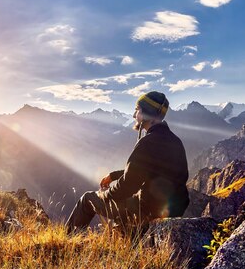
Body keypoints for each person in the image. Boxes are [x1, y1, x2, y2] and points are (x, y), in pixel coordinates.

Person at [66, 91, 189, 237]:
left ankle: (68, 240)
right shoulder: (174, 141)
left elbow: (127, 187)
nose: (134, 115)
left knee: (87, 199)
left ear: (146, 114)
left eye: (137, 110)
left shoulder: (148, 142)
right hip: (170, 208)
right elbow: (148, 169)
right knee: (125, 203)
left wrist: (106, 194)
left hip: (146, 211)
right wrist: (113, 176)